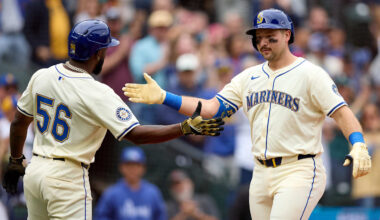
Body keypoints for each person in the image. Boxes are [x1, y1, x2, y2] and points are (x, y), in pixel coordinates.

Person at [123, 9, 372, 219]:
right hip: (260, 173)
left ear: (287, 35)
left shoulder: (311, 74)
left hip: (299, 169)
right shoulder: (248, 77)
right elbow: (211, 109)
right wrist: (165, 96)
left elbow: (342, 112)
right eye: (259, 37)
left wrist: (358, 143)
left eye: (270, 36)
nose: (263, 42)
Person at [1, 20, 224, 220]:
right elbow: (136, 135)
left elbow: (19, 122)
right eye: (105, 50)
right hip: (66, 178)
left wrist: (15, 161)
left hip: (36, 171)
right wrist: (183, 127)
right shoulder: (98, 92)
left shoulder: (42, 75)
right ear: (97, 54)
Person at [95, 147, 167, 220]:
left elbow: (161, 217)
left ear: (143, 168)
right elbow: (100, 217)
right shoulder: (111, 193)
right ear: (121, 167)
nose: (133, 169)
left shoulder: (153, 193)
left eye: (136, 165)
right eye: (129, 165)